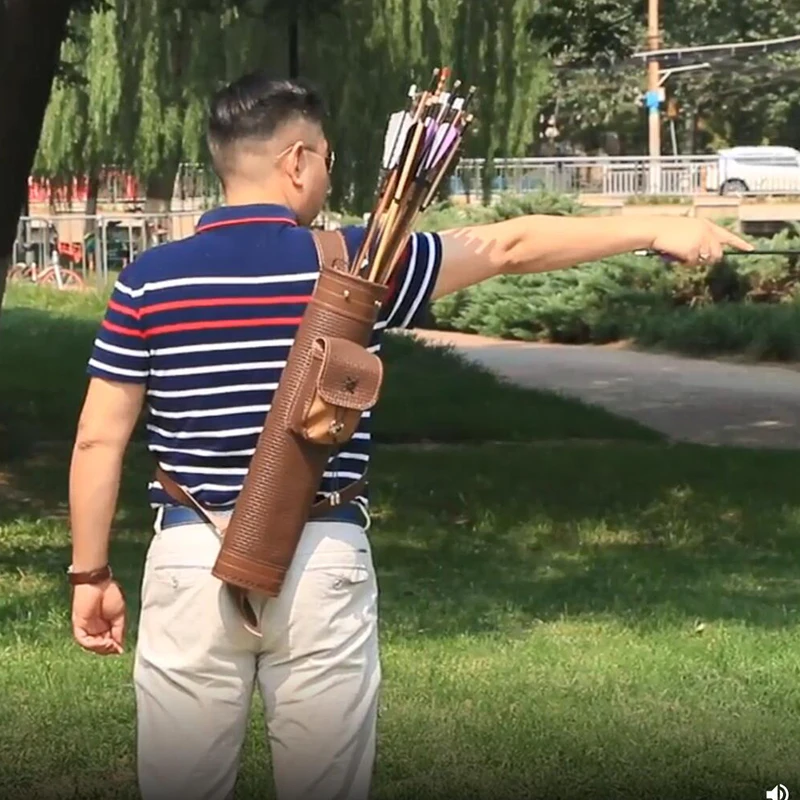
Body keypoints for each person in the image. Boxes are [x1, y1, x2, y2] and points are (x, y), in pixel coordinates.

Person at [67, 71, 753, 800]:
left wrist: (91, 574)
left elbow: (96, 442)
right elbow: (508, 246)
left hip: (188, 557)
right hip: (321, 551)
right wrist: (654, 227)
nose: (328, 174)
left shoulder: (149, 279)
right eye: (326, 157)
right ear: (296, 160)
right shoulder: (358, 264)